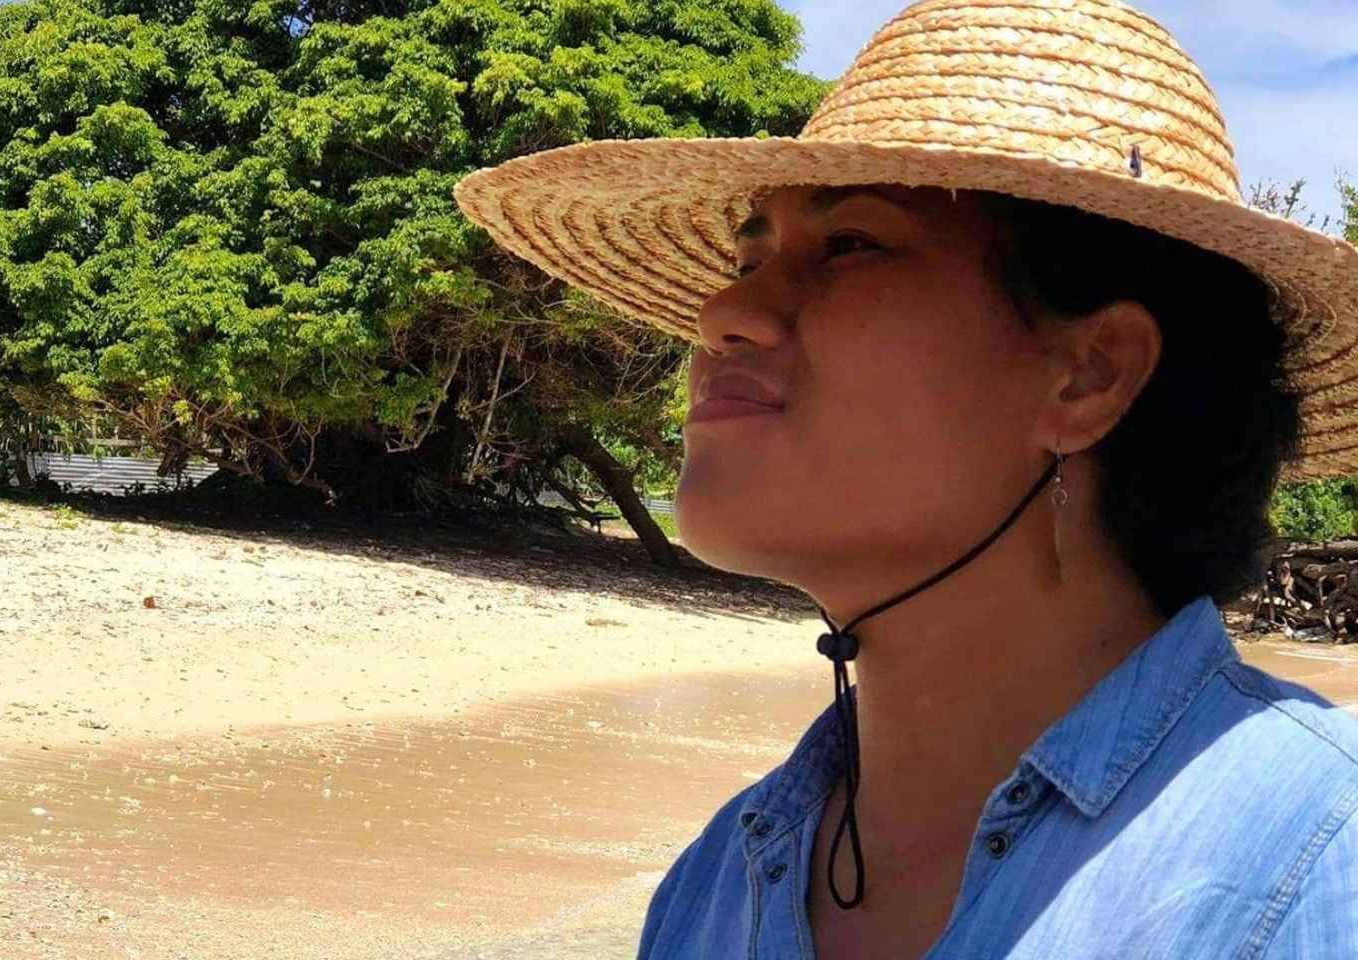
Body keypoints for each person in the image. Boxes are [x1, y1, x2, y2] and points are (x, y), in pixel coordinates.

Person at [453, 0, 1358, 957]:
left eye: (850, 245)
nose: (723, 312)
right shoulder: (716, 883)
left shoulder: (1317, 865)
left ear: (1088, 375)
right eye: (749, 257)